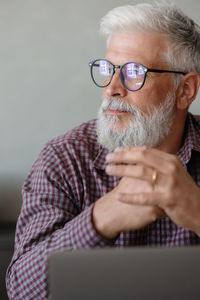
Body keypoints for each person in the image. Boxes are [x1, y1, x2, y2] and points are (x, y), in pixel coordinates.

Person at [6, 2, 200, 299]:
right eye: (107, 69)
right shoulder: (63, 159)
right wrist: (102, 219)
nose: (112, 87)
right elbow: (21, 290)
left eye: (134, 72)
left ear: (185, 90)